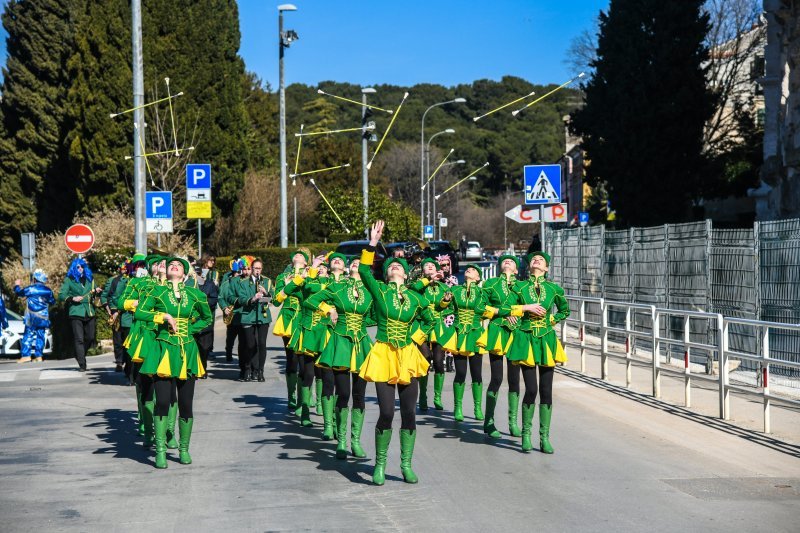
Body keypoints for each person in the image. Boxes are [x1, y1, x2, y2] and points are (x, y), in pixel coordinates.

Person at [358, 220, 433, 485]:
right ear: (388, 273)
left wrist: (415, 338)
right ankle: (379, 465)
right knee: (387, 412)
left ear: (405, 273)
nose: (394, 267)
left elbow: (429, 319)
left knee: (409, 413)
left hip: (408, 356)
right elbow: (365, 270)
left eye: (398, 266)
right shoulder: (379, 290)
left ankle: (405, 464)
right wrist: (373, 243)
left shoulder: (415, 297)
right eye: (391, 266)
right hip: (383, 353)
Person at [136, 256, 212, 469]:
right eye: (171, 265)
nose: (175, 266)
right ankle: (160, 450)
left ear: (186, 273)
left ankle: (184, 449)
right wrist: (163, 318)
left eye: (179, 265)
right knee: (162, 401)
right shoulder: (157, 292)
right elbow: (141, 312)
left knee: (186, 404)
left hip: (187, 351)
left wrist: (191, 329)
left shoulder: (195, 294)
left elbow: (207, 318)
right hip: (164, 349)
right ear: (167, 271)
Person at [500, 251, 570, 453]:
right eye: (533, 259)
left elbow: (565, 310)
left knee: (546, 391)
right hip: (526, 339)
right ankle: (526, 434)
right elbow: (506, 307)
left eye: (541, 260)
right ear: (529, 266)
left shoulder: (554, 289)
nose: (537, 260)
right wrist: (523, 308)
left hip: (546, 340)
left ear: (546, 268)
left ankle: (544, 437)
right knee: (531, 389)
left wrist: (551, 319)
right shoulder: (520, 286)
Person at [304, 253, 372, 455]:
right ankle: (341, 440)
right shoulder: (338, 287)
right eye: (353, 262)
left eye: (360, 263)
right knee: (343, 393)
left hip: (361, 345)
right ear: (347, 269)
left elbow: (377, 315)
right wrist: (329, 310)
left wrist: (361, 325)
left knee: (359, 396)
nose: (356, 264)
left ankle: (356, 441)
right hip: (340, 343)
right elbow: (310, 300)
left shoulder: (370, 290)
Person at [478, 254, 523, 438]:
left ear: (517, 270)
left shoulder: (522, 286)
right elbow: (481, 307)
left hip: (516, 333)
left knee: (514, 379)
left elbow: (529, 307)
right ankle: (489, 421)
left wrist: (517, 313)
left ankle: (513, 423)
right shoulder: (490, 284)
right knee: (496, 378)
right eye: (504, 260)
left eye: (511, 261)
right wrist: (504, 312)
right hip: (497, 332)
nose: (507, 261)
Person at [449, 264, 498, 422]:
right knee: (461, 372)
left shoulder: (482, 292)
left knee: (476, 374)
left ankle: (477, 407)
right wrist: (444, 301)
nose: (469, 270)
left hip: (476, 334)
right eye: (467, 269)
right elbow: (444, 308)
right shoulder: (455, 290)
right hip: (459, 334)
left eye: (473, 270)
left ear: (478, 278)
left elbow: (490, 308)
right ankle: (458, 407)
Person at [413, 258, 455, 411]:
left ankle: (437, 397)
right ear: (423, 271)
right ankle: (422, 396)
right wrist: (428, 279)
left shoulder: (444, 287)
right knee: (425, 359)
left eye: (433, 266)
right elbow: (413, 290)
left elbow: (446, 307)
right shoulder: (419, 285)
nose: (430, 267)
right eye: (427, 265)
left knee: (438, 362)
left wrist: (444, 301)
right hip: (422, 325)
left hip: (438, 326)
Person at [273, 249, 310, 411]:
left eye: (302, 255)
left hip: (304, 319)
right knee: (291, 359)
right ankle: (292, 396)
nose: (298, 255)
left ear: (306, 262)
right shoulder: (282, 277)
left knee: (304, 361)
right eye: (296, 254)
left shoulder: (310, 275)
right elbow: (276, 300)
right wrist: (286, 287)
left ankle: (304, 399)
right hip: (288, 320)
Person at [58, 257, 102, 371]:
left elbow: (93, 293)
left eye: (82, 266)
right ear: (74, 268)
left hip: (89, 311)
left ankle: (78, 354)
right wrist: (72, 298)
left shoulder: (89, 278)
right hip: (76, 312)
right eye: (78, 267)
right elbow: (62, 295)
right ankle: (82, 363)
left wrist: (96, 291)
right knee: (79, 339)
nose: (81, 269)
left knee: (91, 337)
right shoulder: (69, 280)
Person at [234, 257, 273, 382]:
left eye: (260, 268)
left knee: (262, 344)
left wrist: (266, 293)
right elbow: (241, 299)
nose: (258, 271)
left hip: (263, 316)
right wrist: (253, 298)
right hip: (248, 316)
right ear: (251, 269)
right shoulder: (244, 282)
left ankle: (260, 371)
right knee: (250, 345)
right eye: (255, 268)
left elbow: (273, 297)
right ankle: (247, 369)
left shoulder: (267, 281)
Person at [13, 270, 55, 363]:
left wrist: (16, 285)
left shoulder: (30, 289)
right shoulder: (48, 290)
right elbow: (52, 302)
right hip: (43, 317)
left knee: (28, 335)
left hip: (31, 316)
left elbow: (19, 293)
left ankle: (26, 356)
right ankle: (39, 356)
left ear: (35, 279)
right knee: (41, 335)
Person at [101, 260, 132, 375]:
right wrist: (109, 310)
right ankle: (119, 362)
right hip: (115, 312)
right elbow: (104, 296)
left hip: (128, 311)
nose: (124, 271)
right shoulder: (112, 280)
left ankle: (128, 363)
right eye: (122, 268)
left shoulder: (132, 280)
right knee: (118, 339)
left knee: (127, 340)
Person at [195, 264, 219, 378]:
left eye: (199, 274)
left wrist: (202, 302)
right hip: (193, 322)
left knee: (204, 348)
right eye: (195, 274)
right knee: (195, 348)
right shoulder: (189, 286)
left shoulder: (210, 285)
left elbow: (214, 300)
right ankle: (195, 370)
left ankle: (203, 368)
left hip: (205, 322)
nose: (197, 276)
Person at [218, 258, 243, 363]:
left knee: (243, 340)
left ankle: (242, 357)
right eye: (236, 272)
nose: (238, 274)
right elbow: (220, 297)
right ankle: (228, 352)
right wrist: (224, 308)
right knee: (230, 338)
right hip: (231, 315)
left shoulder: (244, 282)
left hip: (242, 315)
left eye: (239, 272)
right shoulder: (225, 284)